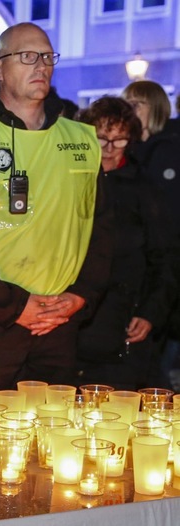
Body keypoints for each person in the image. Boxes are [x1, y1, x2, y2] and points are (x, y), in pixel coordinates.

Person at [0, 22, 112, 394]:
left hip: (60, 321)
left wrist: (81, 295)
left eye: (48, 57)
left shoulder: (83, 140)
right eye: (27, 56)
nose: (41, 65)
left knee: (55, 438)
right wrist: (13, 304)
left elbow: (102, 226)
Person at [74, 97, 174, 389]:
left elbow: (165, 257)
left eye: (118, 140)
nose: (108, 149)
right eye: (102, 138)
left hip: (125, 320)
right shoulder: (74, 180)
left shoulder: (144, 189)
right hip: (76, 317)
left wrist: (150, 312)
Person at [122, 80, 180, 389]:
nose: (130, 111)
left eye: (137, 104)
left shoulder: (167, 151)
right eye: (126, 103)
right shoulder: (131, 152)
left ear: (155, 109)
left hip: (162, 274)